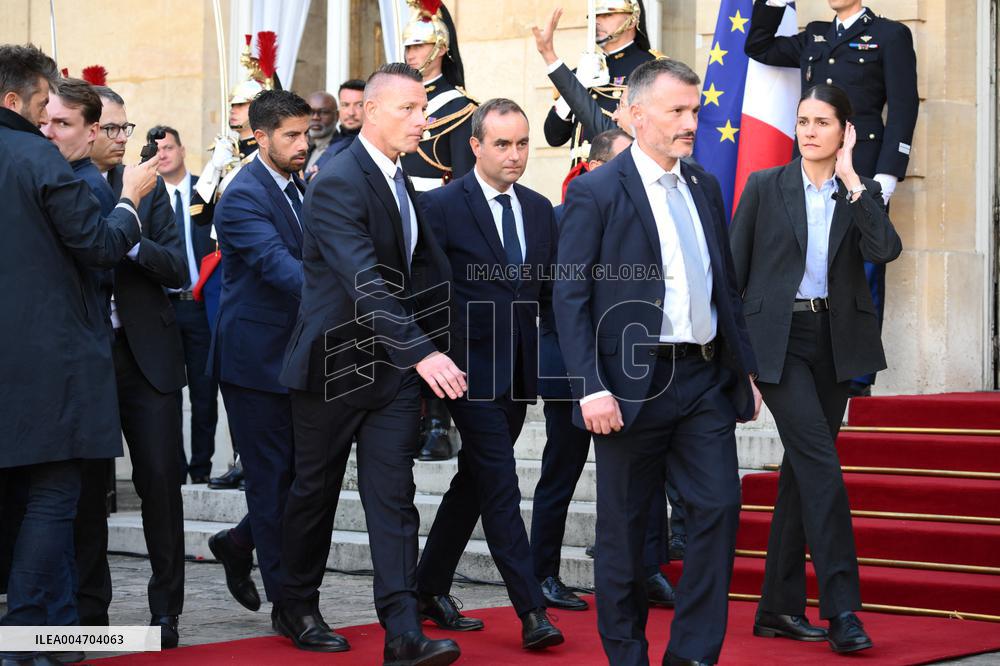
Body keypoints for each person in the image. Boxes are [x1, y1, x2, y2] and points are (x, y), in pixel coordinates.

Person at [554, 58, 761, 666]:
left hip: (701, 379)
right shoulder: (595, 190)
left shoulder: (704, 185)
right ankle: (627, 655)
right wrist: (589, 387)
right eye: (677, 111)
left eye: (695, 110)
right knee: (624, 530)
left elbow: (724, 284)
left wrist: (742, 369)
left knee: (719, 507)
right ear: (636, 115)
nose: (691, 122)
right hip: (627, 385)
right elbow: (569, 297)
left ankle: (693, 654)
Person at [277, 63, 462, 665]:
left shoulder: (400, 177)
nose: (423, 119)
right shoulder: (337, 179)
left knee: (394, 497)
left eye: (424, 108)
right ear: (374, 111)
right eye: (409, 108)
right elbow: (364, 279)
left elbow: (421, 275)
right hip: (337, 364)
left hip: (391, 371)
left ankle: (403, 631)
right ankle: (297, 604)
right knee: (315, 491)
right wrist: (424, 351)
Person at [730, 83, 901, 654]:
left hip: (837, 342)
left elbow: (885, 250)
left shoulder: (857, 194)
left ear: (844, 131)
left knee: (804, 473)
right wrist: (740, 363)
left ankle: (778, 608)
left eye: (822, 122)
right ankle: (843, 610)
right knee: (823, 467)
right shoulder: (764, 186)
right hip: (779, 343)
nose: (808, 130)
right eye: (803, 119)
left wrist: (854, 179)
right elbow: (732, 277)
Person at [0, 43, 156, 664]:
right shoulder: (39, 159)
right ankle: (29, 636)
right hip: (53, 361)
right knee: (53, 498)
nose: (46, 119)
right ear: (14, 99)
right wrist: (130, 202)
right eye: (42, 104)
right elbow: (99, 245)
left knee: (24, 498)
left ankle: (56, 634)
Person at [414, 99, 564, 651]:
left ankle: (427, 587)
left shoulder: (541, 208)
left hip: (519, 373)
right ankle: (531, 611)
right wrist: (432, 362)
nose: (515, 154)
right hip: (465, 372)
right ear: (475, 146)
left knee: (475, 484)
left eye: (522, 143)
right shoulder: (444, 206)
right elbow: (425, 292)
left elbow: (549, 296)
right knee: (501, 484)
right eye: (502, 143)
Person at [532, 128, 676, 613]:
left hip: (634, 365)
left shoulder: (648, 216)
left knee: (647, 471)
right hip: (573, 370)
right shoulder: (556, 220)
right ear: (593, 169)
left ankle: (649, 567)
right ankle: (543, 575)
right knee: (562, 470)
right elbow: (554, 302)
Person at [745, 0, 918, 395]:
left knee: (862, 268)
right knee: (807, 256)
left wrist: (888, 174)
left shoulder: (890, 34)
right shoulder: (815, 34)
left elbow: (904, 106)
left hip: (862, 166)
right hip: (808, 170)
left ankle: (857, 375)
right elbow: (758, 46)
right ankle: (812, 353)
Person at [86, 85, 190, 648]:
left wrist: (129, 242)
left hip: (147, 356)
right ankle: (90, 618)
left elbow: (177, 267)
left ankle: (165, 612)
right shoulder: (67, 184)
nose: (123, 139)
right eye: (112, 129)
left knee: (161, 487)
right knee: (84, 493)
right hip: (87, 358)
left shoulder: (149, 190)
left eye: (127, 129)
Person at [206, 89, 309, 630]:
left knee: (298, 476)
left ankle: (236, 541)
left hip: (299, 355)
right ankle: (288, 608)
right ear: (260, 136)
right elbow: (278, 266)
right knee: (272, 481)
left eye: (306, 133)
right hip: (254, 361)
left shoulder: (299, 187)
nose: (302, 144)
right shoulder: (242, 196)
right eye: (290, 135)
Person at [200, 33, 282, 492]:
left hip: (259, 278)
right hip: (221, 268)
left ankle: (247, 457)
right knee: (236, 370)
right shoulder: (228, 157)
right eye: (233, 106)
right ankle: (238, 455)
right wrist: (216, 167)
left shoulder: (266, 161)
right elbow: (199, 211)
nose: (234, 113)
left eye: (243, 105)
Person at [401, 0, 479, 461]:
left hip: (436, 221)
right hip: (398, 216)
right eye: (408, 45)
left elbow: (464, 179)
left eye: (419, 44)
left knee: (434, 321)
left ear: (440, 47)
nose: (411, 53)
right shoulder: (401, 100)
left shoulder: (457, 107)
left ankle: (437, 422)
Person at [148, 125, 221, 486]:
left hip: (200, 305)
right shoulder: (146, 196)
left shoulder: (204, 190)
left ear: (182, 150)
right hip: (164, 307)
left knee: (205, 393)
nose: (163, 154)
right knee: (169, 394)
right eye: (156, 149)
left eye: (169, 148)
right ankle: (174, 470)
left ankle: (202, 468)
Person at [542, 0, 659, 166]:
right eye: (595, 16)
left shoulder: (653, 67)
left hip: (621, 175)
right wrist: (578, 82)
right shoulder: (583, 70)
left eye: (607, 15)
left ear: (632, 19)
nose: (597, 21)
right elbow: (553, 136)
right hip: (580, 178)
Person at [307, 79, 365, 179]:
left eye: (359, 105)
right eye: (345, 105)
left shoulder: (374, 145)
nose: (351, 112)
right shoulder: (327, 144)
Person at [304, 90, 338, 171]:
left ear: (337, 116)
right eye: (310, 112)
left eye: (323, 112)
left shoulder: (343, 150)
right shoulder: (306, 148)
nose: (315, 117)